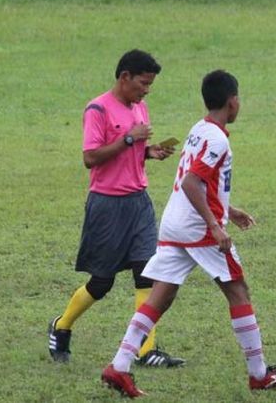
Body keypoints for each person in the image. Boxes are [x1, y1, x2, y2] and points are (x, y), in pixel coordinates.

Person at [100, 70, 276, 397]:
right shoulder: (218, 138)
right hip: (196, 229)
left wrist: (228, 209)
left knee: (160, 297)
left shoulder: (200, 128)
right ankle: (259, 374)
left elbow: (200, 181)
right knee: (239, 291)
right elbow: (193, 181)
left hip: (174, 223)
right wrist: (214, 225)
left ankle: (119, 366)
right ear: (232, 102)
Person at [48, 49, 183, 367]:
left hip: (139, 203)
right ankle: (62, 326)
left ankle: (145, 349)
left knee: (147, 274)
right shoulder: (98, 109)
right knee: (101, 282)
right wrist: (127, 140)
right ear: (124, 77)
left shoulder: (141, 107)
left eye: (149, 85)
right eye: (143, 83)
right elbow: (90, 158)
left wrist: (149, 151)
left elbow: (132, 151)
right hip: (107, 205)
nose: (146, 90)